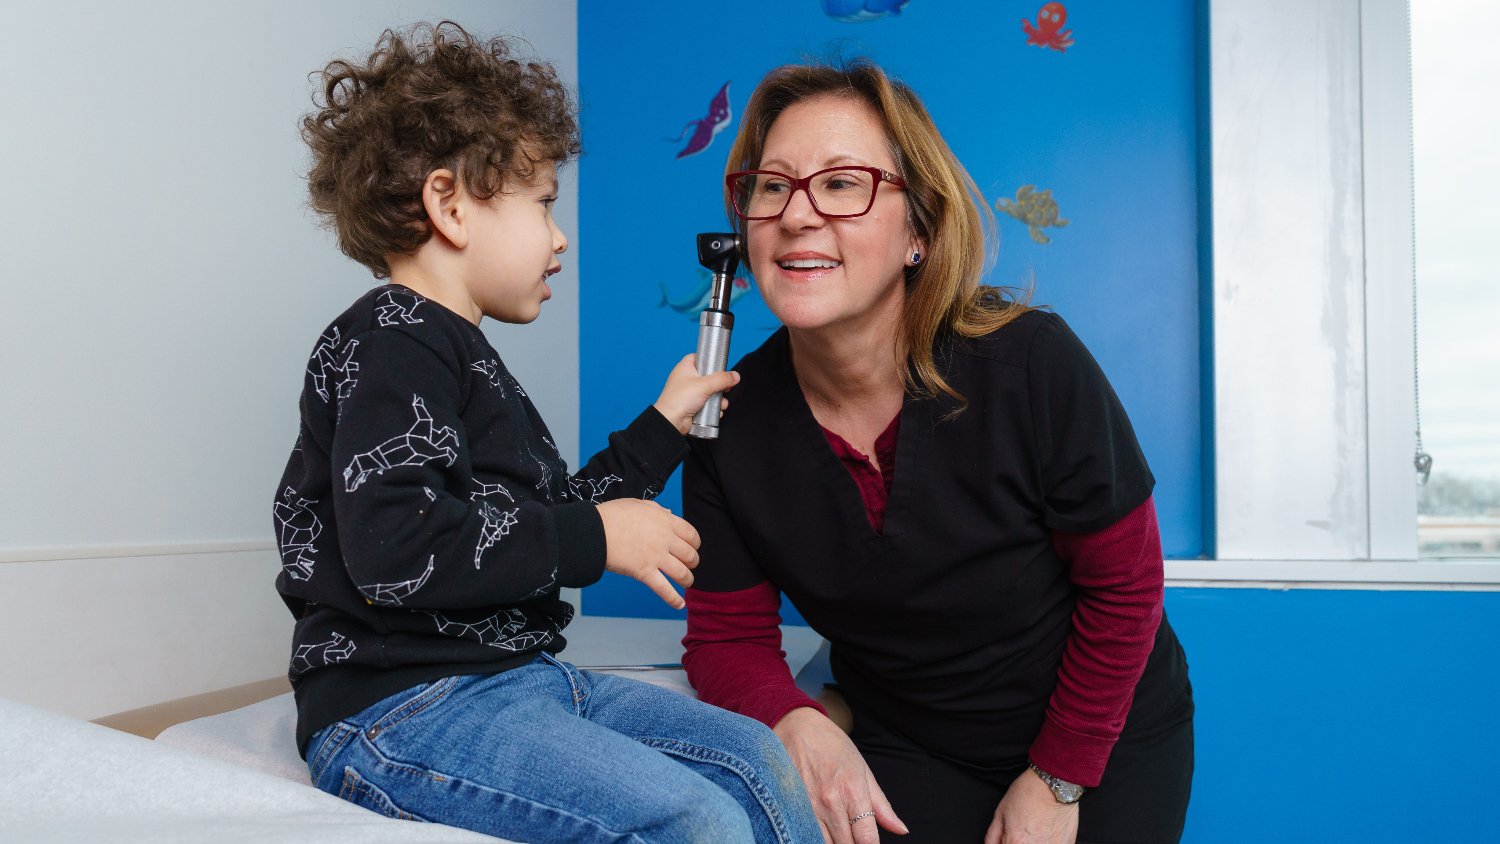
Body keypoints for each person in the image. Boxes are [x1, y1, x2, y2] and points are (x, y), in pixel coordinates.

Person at [273, 22, 821, 843]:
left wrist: (662, 428)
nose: (560, 237)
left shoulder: (458, 354)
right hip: (400, 706)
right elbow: (394, 547)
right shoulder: (389, 339)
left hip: (519, 677)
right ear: (450, 205)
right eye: (543, 205)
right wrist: (593, 538)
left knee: (753, 756)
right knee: (693, 818)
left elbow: (539, 520)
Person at [681, 61, 1194, 844]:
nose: (796, 215)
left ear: (918, 230)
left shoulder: (1030, 364)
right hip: (913, 742)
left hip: (1102, 734)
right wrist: (795, 722)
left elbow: (1124, 589)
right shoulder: (727, 419)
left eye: (844, 183)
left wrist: (1058, 780)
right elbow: (727, 639)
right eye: (771, 185)